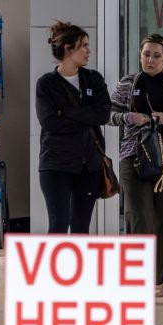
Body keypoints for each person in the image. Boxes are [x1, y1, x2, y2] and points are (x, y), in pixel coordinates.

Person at [109, 34, 163, 298]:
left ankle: (159, 279)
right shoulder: (128, 83)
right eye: (146, 54)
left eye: (156, 55)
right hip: (133, 155)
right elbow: (109, 114)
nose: (150, 59)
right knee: (139, 217)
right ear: (140, 55)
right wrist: (130, 117)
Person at [36, 21, 112, 234]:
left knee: (81, 228)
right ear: (68, 49)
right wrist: (86, 115)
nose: (88, 51)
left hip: (89, 165)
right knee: (58, 224)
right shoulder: (47, 83)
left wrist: (66, 111)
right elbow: (50, 122)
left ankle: (80, 260)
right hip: (55, 165)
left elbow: (103, 114)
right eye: (83, 45)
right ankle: (55, 260)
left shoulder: (93, 79)